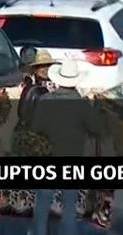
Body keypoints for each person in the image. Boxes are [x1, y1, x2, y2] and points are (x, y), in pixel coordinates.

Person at [29, 61, 108, 235]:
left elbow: (34, 128)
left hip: (48, 155)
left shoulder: (45, 100)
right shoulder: (81, 105)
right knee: (70, 202)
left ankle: (39, 232)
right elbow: (98, 130)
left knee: (43, 199)